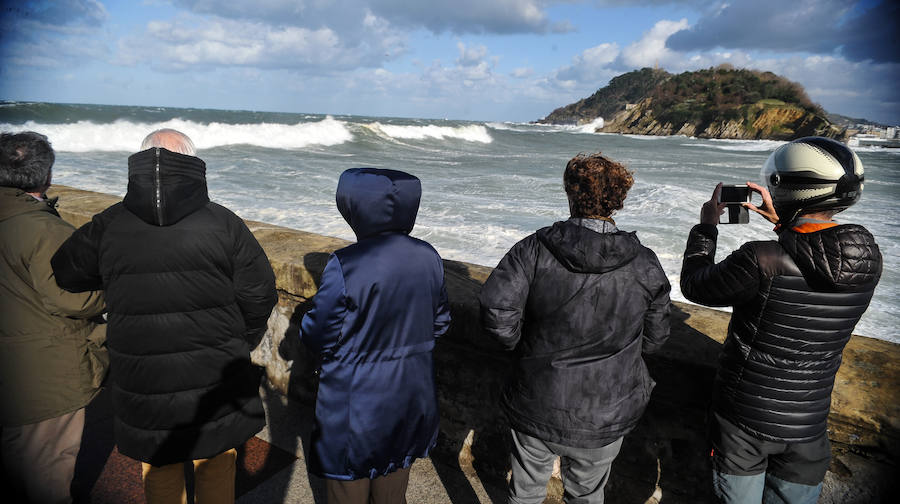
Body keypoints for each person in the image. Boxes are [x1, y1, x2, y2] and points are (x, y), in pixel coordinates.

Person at [50, 129, 277, 504]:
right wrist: (243, 338)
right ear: (192, 164)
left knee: (159, 462)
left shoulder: (110, 223)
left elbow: (66, 271)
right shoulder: (223, 222)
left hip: (142, 371)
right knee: (216, 458)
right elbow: (260, 293)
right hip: (215, 367)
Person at [680, 136, 882, 504]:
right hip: (808, 425)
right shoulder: (867, 259)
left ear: (783, 187)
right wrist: (784, 225)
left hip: (745, 421)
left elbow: (695, 287)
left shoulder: (761, 259)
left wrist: (706, 228)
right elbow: (821, 256)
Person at [480, 153, 672, 504]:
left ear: (570, 193)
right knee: (586, 495)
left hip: (538, 398)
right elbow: (656, 337)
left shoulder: (534, 249)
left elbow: (497, 311)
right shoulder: (644, 263)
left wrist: (526, 349)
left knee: (524, 494)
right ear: (618, 199)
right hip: (606, 409)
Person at [300, 167, 451, 504]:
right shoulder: (429, 256)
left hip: (357, 404)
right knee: (393, 490)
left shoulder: (345, 264)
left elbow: (319, 333)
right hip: (412, 396)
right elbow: (440, 322)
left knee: (347, 489)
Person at [0, 131, 108, 504]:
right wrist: (109, 290)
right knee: (47, 465)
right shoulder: (44, 229)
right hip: (42, 372)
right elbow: (74, 300)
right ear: (46, 175)